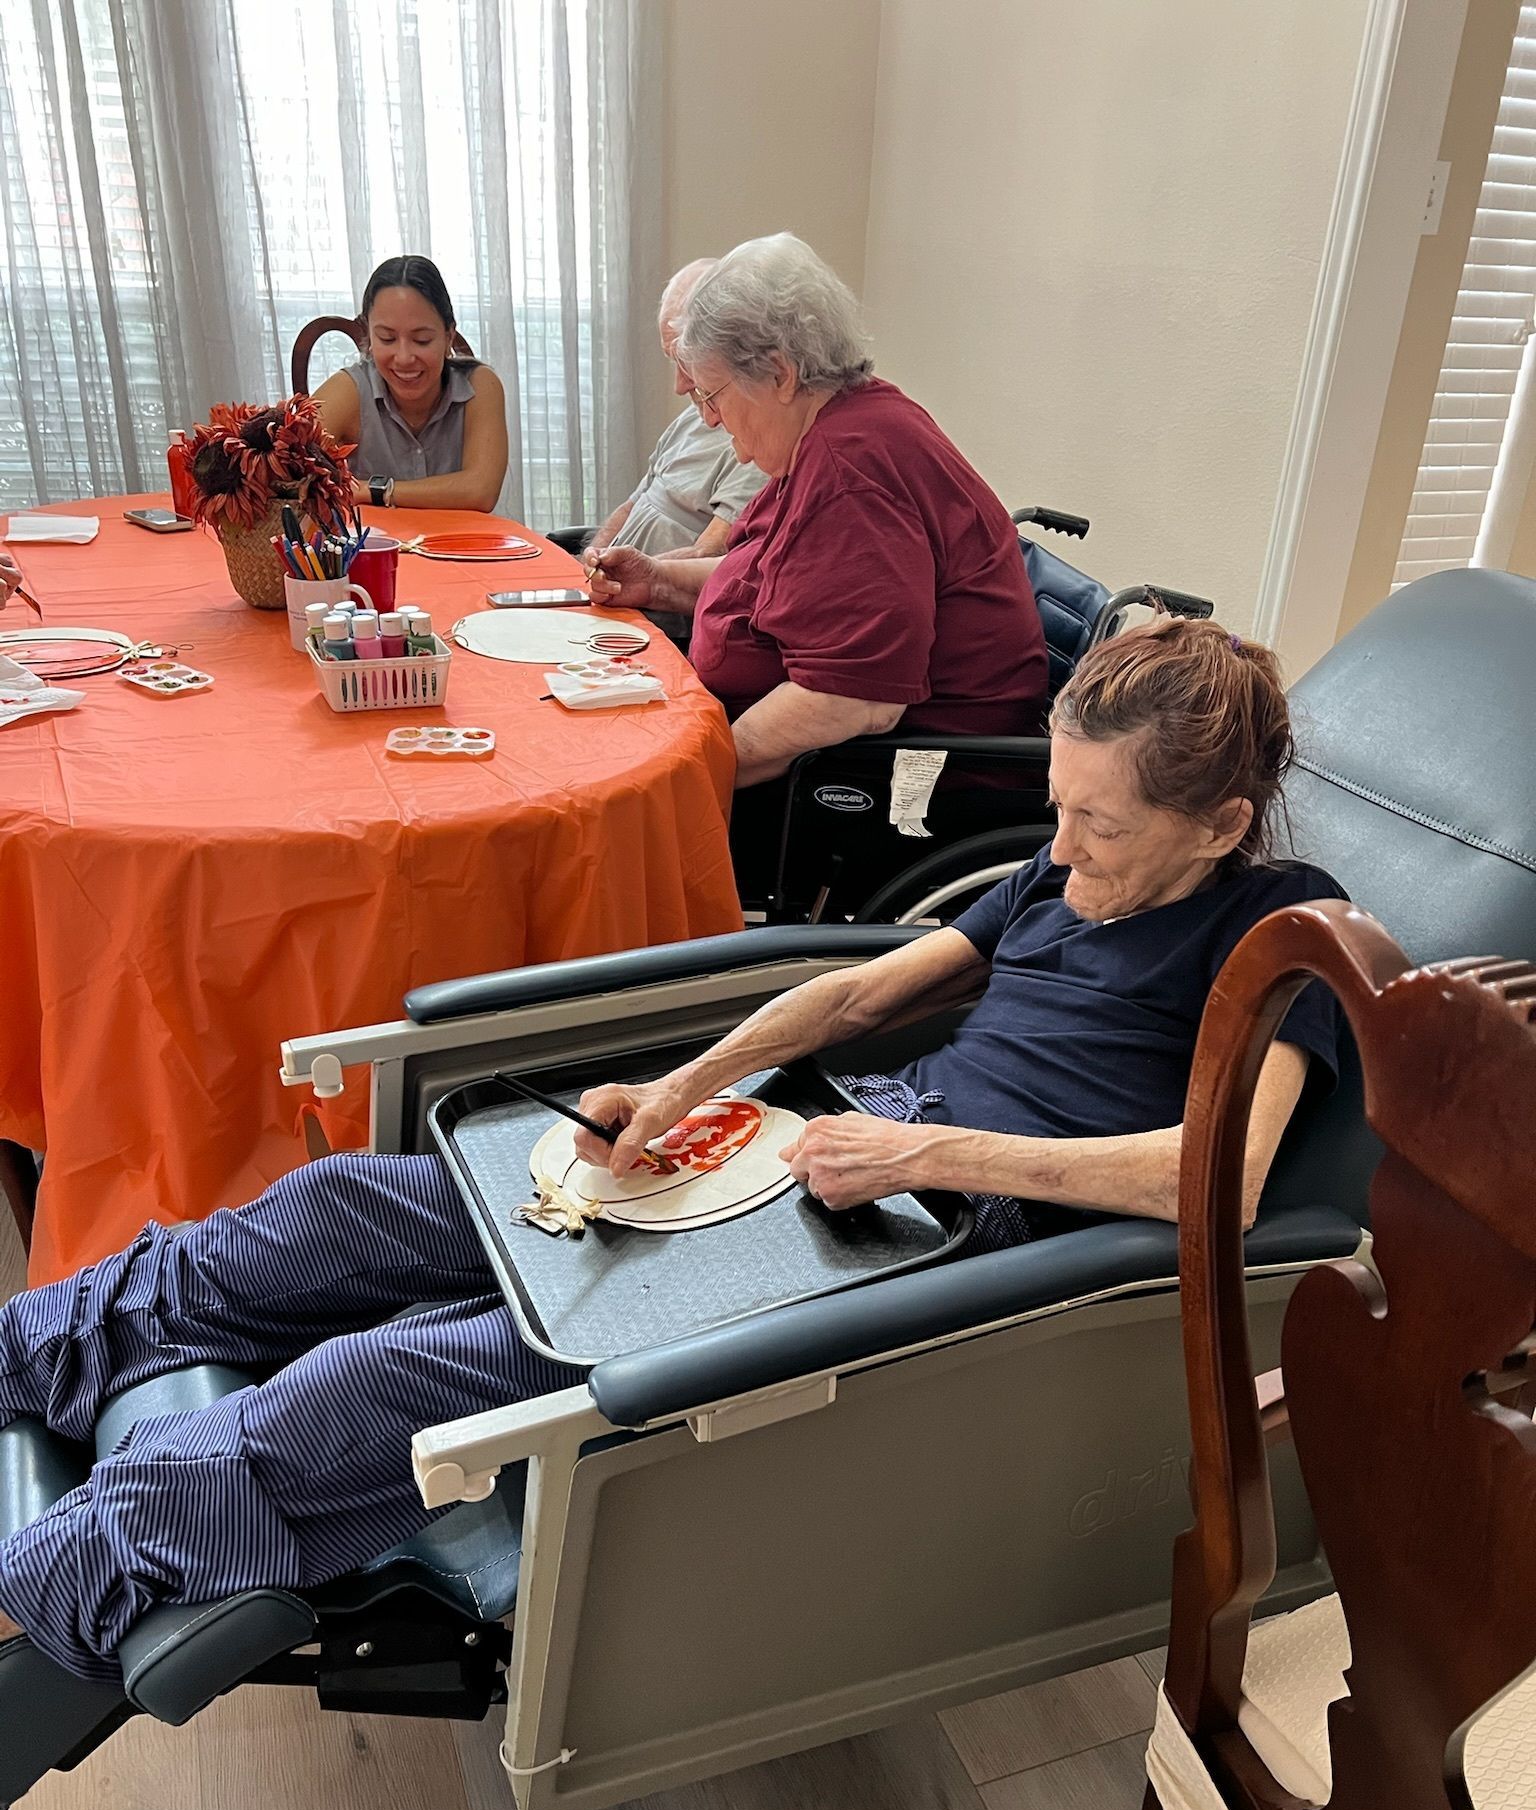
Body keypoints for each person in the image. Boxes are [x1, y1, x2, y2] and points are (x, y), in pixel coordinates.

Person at [0, 620, 1343, 1685]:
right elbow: (866, 994)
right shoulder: (1057, 878)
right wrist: (686, 1084)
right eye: (1060, 808)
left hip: (943, 1239)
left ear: (1218, 828)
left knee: (412, 1360)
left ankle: (66, 1570)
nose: (1058, 851)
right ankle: (36, 1355)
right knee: (343, 1203)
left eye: (1098, 827)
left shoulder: (1292, 939)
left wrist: (928, 1152)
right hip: (840, 1142)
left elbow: (1218, 1184)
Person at [586, 233, 1049, 787]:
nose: (708, 418)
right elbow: (772, 572)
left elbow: (853, 699)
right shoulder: (840, 422)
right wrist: (658, 581)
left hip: (901, 774)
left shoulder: (849, 472)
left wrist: (689, 778)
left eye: (711, 394)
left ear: (780, 374)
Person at [578, 260, 767, 562]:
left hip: (652, 603)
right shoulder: (693, 414)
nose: (679, 386)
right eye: (672, 360)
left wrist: (635, 580)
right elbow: (634, 503)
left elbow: (710, 554)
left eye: (687, 360)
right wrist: (588, 563)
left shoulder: (756, 439)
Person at [312, 255, 509, 514]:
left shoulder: (479, 386)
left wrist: (372, 490)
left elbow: (480, 492)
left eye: (422, 340)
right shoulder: (349, 391)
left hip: (460, 548)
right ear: (369, 335)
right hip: (371, 550)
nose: (404, 358)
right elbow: (282, 472)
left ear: (449, 335)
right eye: (387, 338)